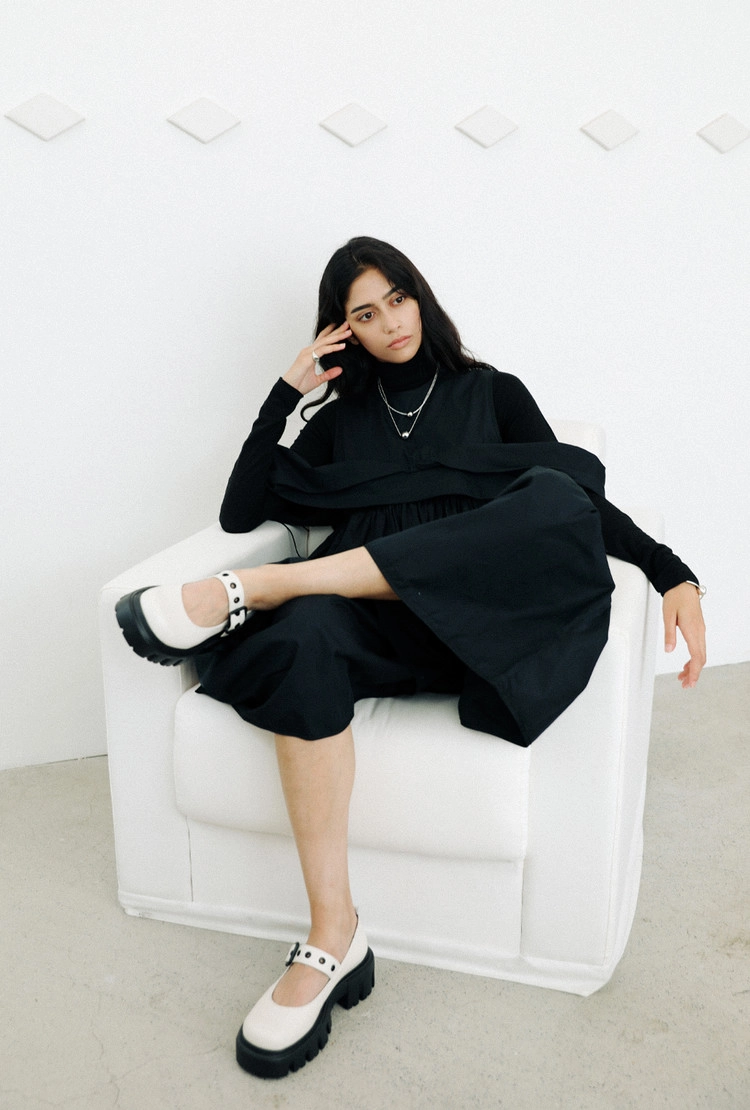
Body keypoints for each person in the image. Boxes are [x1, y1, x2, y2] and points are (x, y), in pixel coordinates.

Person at [115, 236, 706, 1079]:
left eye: (398, 298)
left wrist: (670, 569)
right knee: (305, 641)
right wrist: (286, 393)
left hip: (474, 625)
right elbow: (243, 510)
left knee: (548, 495)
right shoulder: (339, 423)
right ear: (342, 331)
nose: (391, 321)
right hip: (369, 628)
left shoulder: (493, 393)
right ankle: (333, 938)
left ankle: (266, 588)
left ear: (419, 297)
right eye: (365, 313)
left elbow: (575, 502)